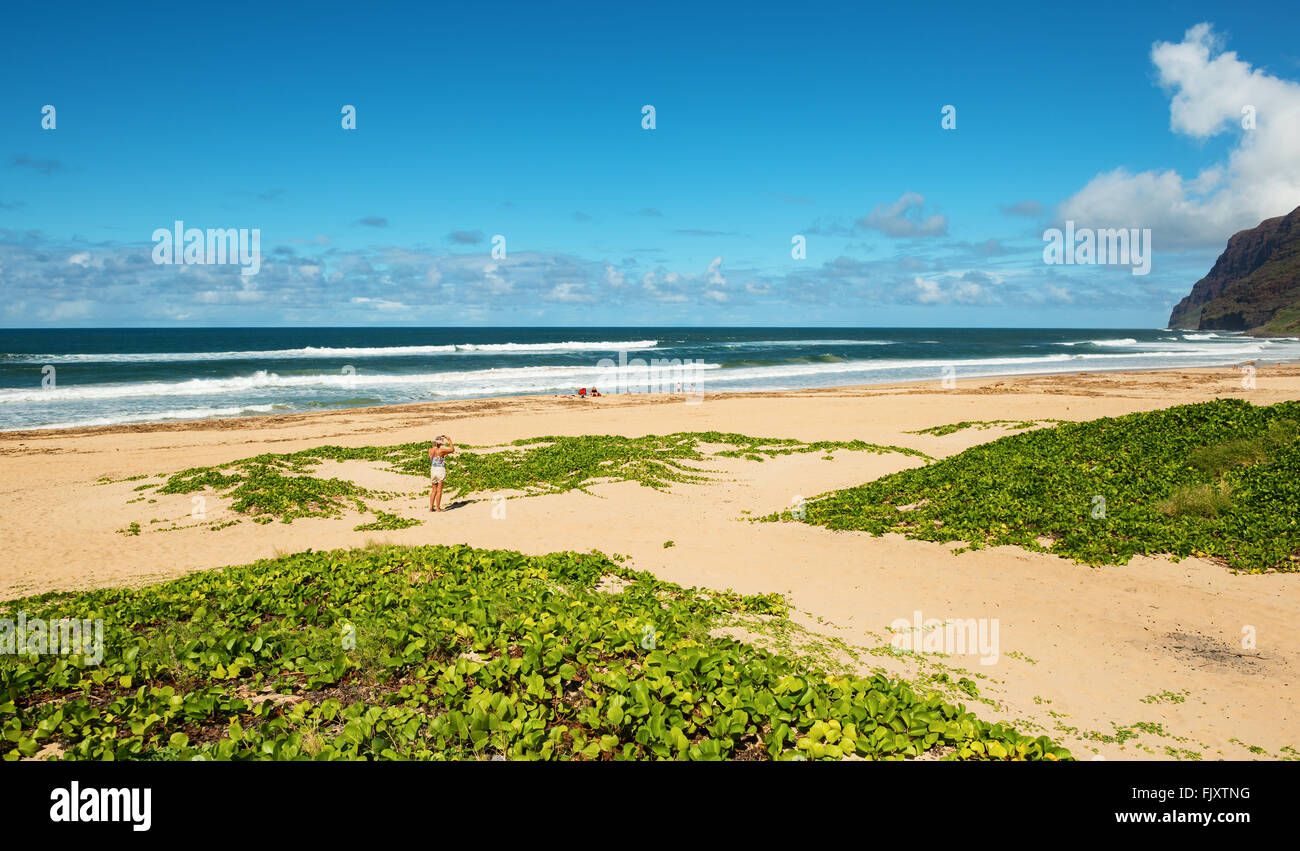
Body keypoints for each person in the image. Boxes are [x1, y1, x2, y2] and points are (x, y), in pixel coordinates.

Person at [428, 435, 455, 511]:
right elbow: (452, 450)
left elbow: (432, 460)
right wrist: (449, 440)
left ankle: (431, 507)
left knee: (433, 490)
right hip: (440, 469)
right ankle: (437, 507)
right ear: (440, 443)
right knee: (439, 490)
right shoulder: (441, 450)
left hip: (433, 469)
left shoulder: (430, 450)